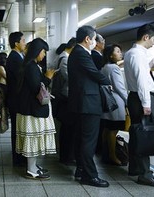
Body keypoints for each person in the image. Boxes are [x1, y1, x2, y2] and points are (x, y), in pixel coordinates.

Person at [124, 24, 154, 187]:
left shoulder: (131, 53)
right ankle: (145, 174)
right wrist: (145, 103)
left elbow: (139, 74)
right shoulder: (137, 54)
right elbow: (142, 80)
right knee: (145, 135)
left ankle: (136, 169)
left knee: (137, 134)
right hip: (141, 98)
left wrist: (150, 64)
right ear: (146, 37)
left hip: (135, 96)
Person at [68, 25, 110, 187]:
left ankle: (81, 169)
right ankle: (90, 175)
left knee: (81, 138)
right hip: (88, 103)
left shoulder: (76, 53)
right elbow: (95, 73)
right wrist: (108, 81)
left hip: (81, 102)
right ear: (87, 39)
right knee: (88, 141)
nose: (94, 42)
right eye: (93, 39)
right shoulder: (81, 54)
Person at [15, 38, 56, 180]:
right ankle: (31, 170)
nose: (44, 55)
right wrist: (48, 78)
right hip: (31, 110)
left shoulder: (29, 64)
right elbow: (36, 88)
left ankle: (34, 166)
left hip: (29, 108)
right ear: (37, 51)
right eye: (43, 52)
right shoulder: (31, 66)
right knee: (33, 138)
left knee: (35, 138)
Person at [101, 44, 128, 166]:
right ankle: (113, 156)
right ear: (111, 55)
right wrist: (128, 101)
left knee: (107, 129)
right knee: (113, 130)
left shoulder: (105, 67)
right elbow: (120, 88)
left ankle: (105, 153)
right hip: (116, 102)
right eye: (117, 51)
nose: (120, 53)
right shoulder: (114, 68)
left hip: (108, 102)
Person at [51, 37, 77, 164]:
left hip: (63, 97)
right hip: (65, 97)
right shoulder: (65, 59)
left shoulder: (60, 57)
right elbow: (71, 79)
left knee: (66, 128)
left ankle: (66, 155)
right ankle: (66, 156)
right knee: (67, 128)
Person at [5, 31, 27, 166]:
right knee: (17, 129)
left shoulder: (18, 56)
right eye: (23, 41)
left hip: (17, 98)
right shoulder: (14, 58)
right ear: (16, 43)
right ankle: (18, 158)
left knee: (18, 128)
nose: (25, 43)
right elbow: (21, 78)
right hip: (16, 99)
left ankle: (19, 155)